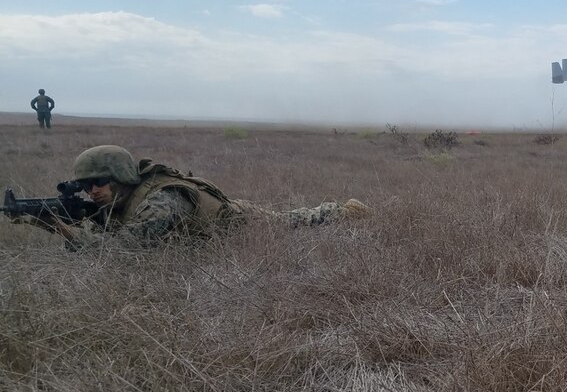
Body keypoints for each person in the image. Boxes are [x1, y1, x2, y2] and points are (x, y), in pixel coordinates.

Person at [10, 145, 370, 250]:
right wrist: (51, 221)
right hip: (217, 218)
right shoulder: (118, 200)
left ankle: (341, 211)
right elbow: (107, 229)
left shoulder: (161, 201)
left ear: (119, 177)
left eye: (99, 183)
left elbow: (123, 252)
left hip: (238, 224)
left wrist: (65, 231)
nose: (92, 192)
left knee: (294, 221)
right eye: (85, 187)